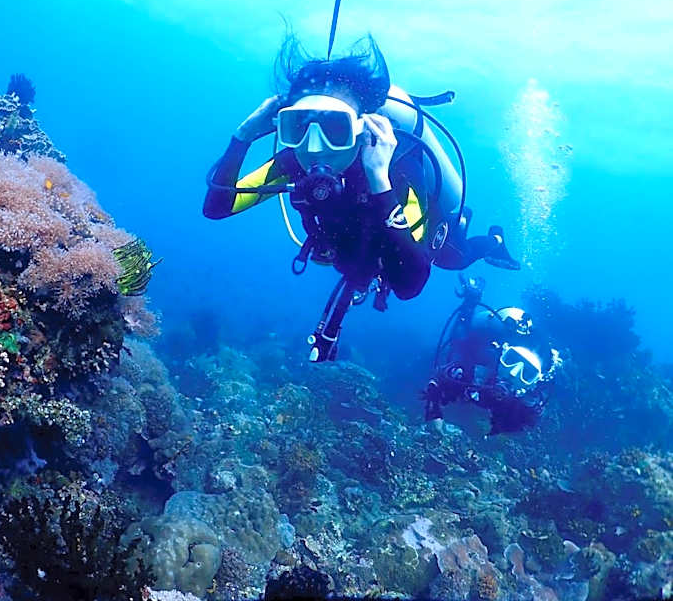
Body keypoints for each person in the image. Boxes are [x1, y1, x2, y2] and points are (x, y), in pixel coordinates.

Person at [203, 33, 519, 362]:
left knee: (455, 257)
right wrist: (243, 136)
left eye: (335, 129)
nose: (314, 147)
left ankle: (493, 240)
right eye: (299, 127)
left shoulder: (396, 169)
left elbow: (409, 285)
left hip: (411, 243)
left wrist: (379, 181)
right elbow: (217, 206)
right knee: (353, 268)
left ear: (361, 127)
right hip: (356, 254)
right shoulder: (292, 162)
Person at [423, 275, 562, 434]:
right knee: (460, 341)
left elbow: (522, 421)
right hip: (480, 344)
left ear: (534, 382)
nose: (513, 372)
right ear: (502, 354)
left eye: (527, 373)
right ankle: (470, 302)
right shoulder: (478, 364)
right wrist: (433, 413)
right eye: (511, 359)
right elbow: (440, 377)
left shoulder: (529, 402)